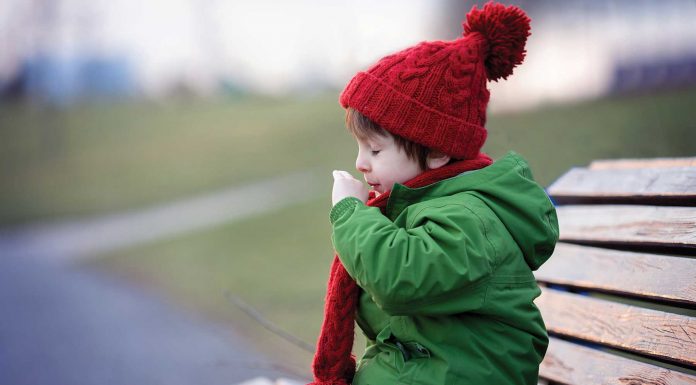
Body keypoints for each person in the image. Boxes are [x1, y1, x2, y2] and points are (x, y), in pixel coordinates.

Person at [308, 2, 559, 385]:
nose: (362, 163)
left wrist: (350, 212)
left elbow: (398, 279)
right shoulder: (423, 209)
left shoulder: (471, 218)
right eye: (360, 148)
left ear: (438, 150)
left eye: (375, 150)